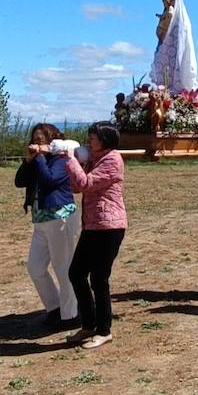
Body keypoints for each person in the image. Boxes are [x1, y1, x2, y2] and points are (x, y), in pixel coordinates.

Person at [61, 122, 127, 349]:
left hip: (109, 226)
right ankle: (88, 325)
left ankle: (104, 330)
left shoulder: (112, 160)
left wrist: (71, 160)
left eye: (94, 137)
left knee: (99, 279)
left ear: (106, 140)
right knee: (77, 273)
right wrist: (77, 162)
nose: (90, 140)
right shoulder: (95, 159)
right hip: (93, 226)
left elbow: (86, 183)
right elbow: (76, 187)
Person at [18, 123, 81, 330]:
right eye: (34, 139)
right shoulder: (38, 161)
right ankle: (55, 308)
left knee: (63, 268)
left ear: (52, 141)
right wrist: (30, 160)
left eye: (40, 140)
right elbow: (20, 181)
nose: (36, 143)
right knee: (35, 267)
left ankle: (70, 315)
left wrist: (40, 159)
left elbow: (49, 181)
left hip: (60, 217)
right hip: (41, 219)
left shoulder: (61, 159)